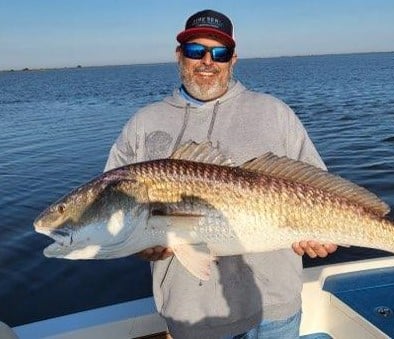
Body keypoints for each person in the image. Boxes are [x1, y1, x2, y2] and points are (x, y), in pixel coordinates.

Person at [105, 9, 337, 339]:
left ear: (233, 59)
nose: (207, 62)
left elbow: (320, 187)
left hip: (274, 310)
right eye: (195, 51)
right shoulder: (143, 124)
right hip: (192, 316)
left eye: (220, 52)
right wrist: (137, 244)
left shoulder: (275, 113)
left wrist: (322, 232)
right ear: (179, 56)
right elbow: (114, 207)